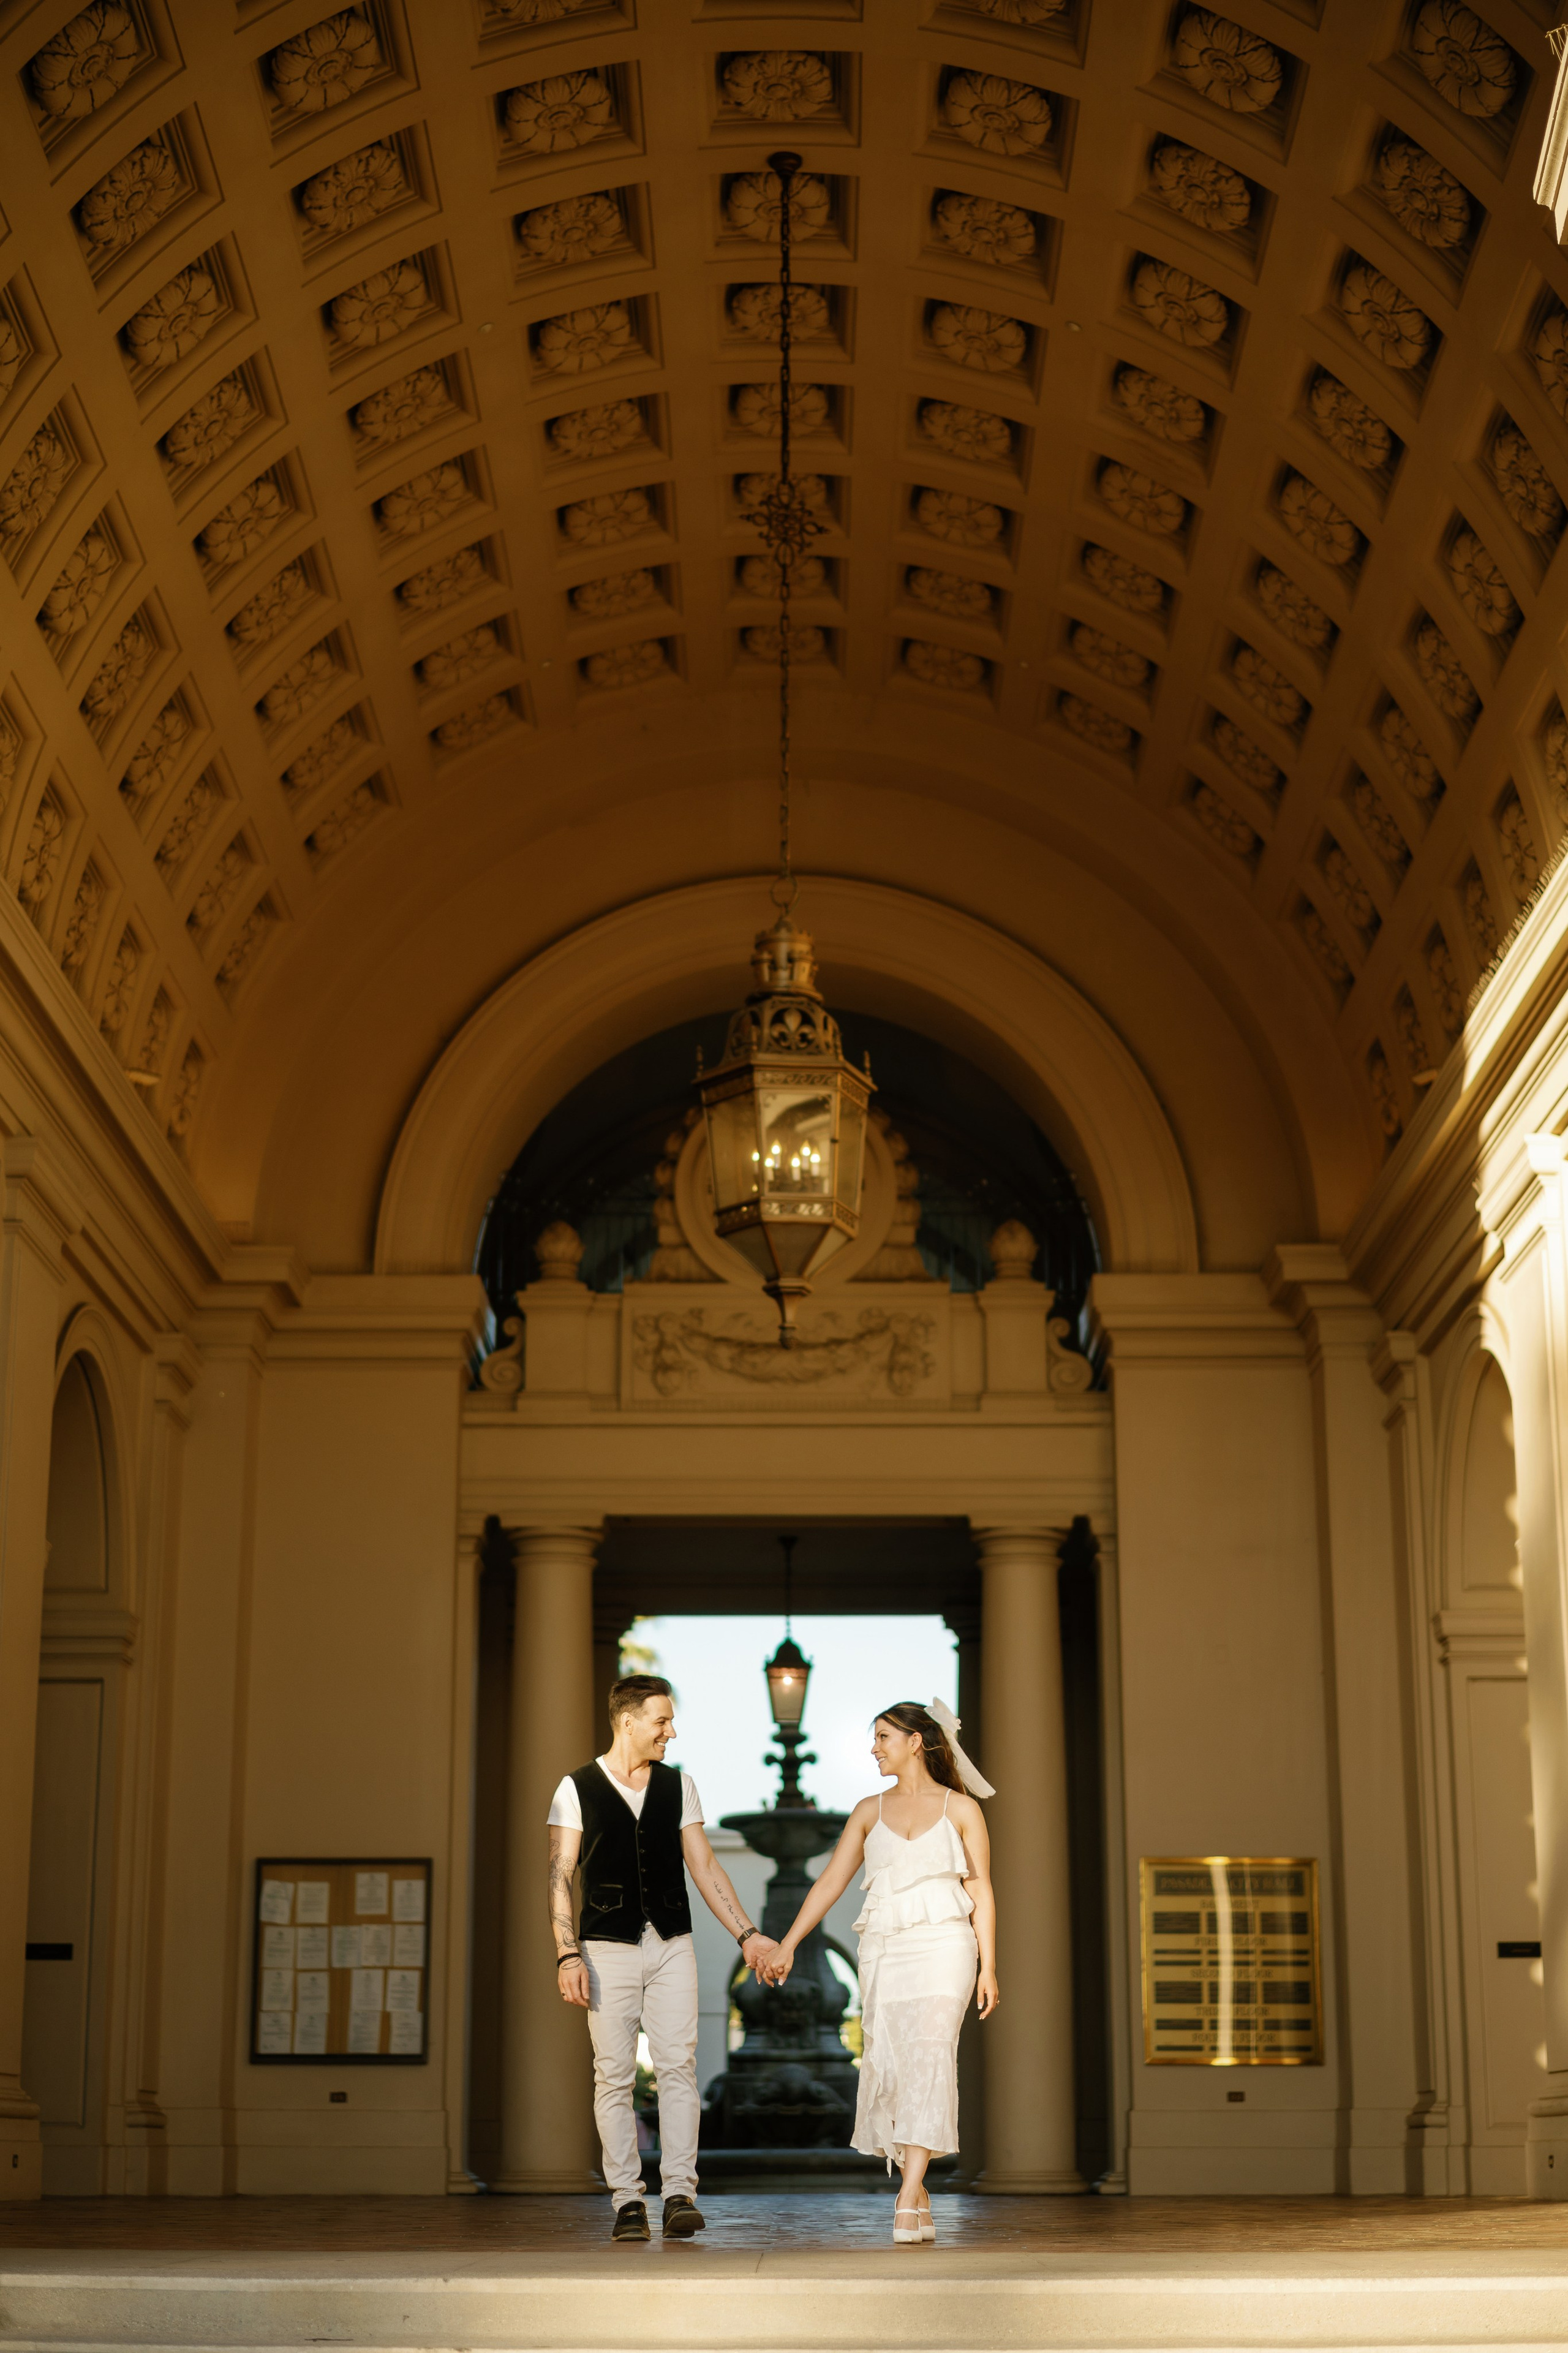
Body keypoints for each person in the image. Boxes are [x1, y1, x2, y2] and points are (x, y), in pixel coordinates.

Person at [547, 1672, 780, 2241]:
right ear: (629, 1721)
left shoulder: (680, 1785)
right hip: (604, 1946)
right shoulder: (575, 1787)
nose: (671, 1732)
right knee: (614, 2076)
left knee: (680, 2068)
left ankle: (679, 2193)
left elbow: (704, 1866)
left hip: (673, 1942)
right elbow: (559, 1876)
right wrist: (566, 1954)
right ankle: (628, 2200)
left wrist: (748, 1933)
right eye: (662, 1720)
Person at [764, 1697, 997, 2244]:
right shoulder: (868, 1809)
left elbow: (980, 1887)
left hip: (946, 1944)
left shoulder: (962, 1809)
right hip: (886, 1949)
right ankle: (920, 2194)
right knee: (892, 2063)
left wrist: (990, 1964)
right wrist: (790, 1943)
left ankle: (904, 2194)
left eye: (884, 1737)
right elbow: (829, 1882)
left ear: (917, 1740)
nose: (874, 1748)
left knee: (931, 2055)